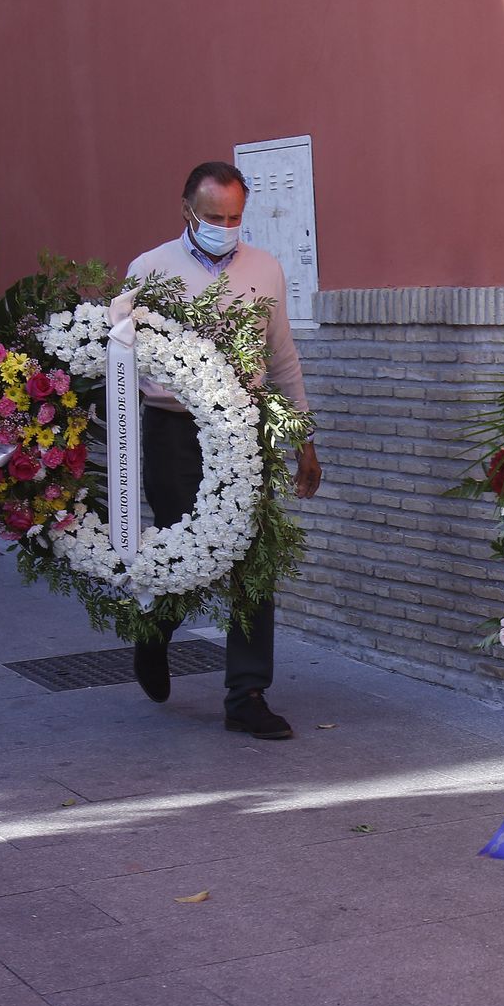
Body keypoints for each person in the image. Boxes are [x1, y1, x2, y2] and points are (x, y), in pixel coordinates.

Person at [126, 161, 321, 739]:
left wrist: (303, 436)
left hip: (244, 429)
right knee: (188, 554)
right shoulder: (148, 271)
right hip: (172, 430)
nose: (225, 226)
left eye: (236, 217)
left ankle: (247, 693)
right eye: (214, 217)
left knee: (251, 557)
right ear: (187, 210)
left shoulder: (265, 269)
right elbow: (123, 361)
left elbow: (282, 356)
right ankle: (155, 631)